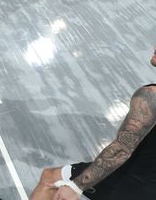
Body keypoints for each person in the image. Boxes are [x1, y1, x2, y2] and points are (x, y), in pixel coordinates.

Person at [29, 47, 156, 199]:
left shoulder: (150, 97)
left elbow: (122, 148)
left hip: (134, 179)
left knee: (50, 178)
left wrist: (76, 185)